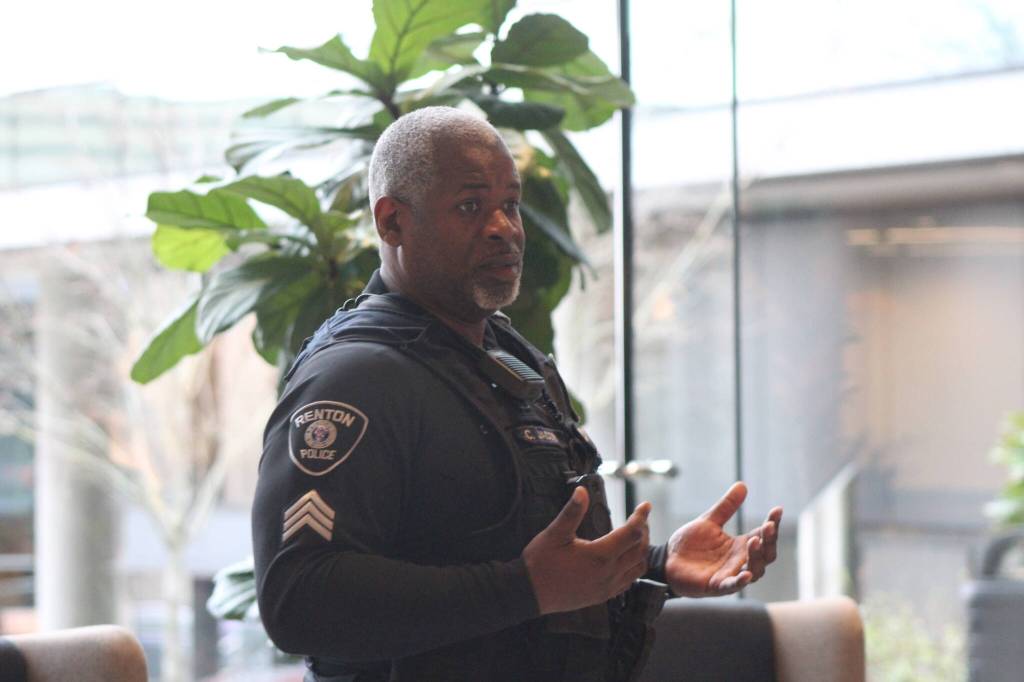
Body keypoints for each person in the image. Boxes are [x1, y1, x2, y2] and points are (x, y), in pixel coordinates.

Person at [252, 106, 783, 682]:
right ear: (393, 223)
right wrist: (523, 588)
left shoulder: (510, 358)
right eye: (470, 207)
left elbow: (533, 563)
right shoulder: (355, 377)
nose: (504, 227)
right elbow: (297, 598)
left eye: (511, 203)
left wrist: (653, 566)